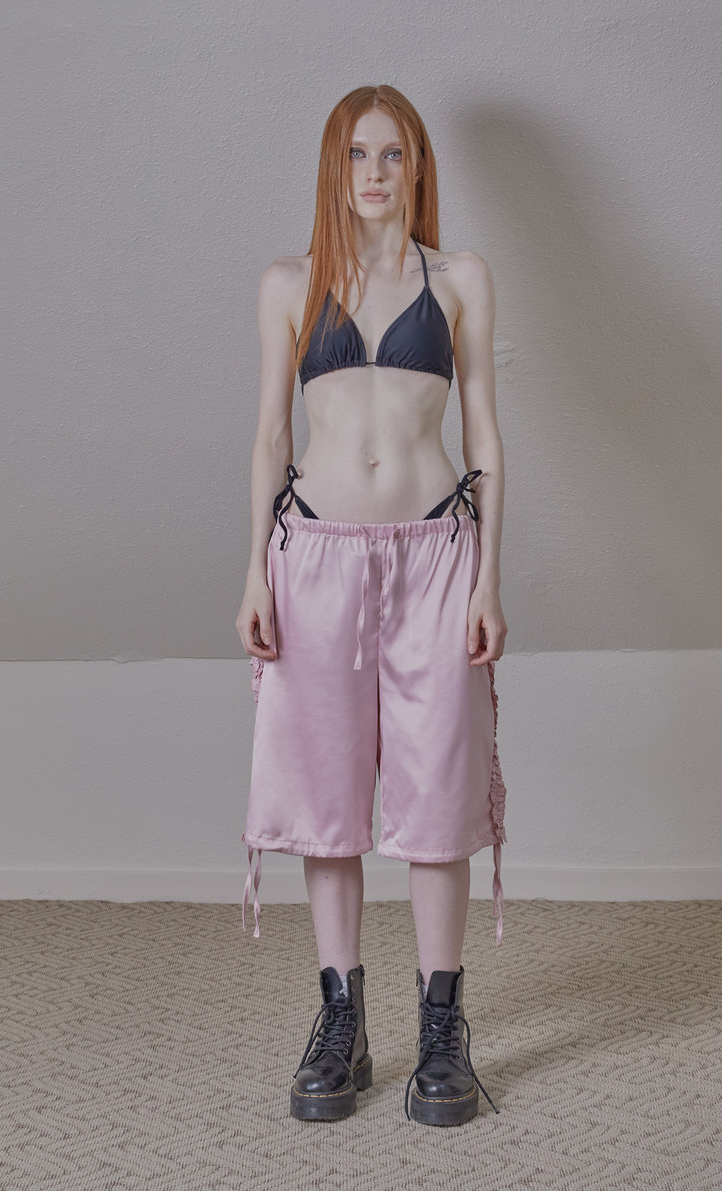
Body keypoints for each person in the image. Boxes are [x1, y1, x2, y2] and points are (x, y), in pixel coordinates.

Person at [235, 84, 508, 1127]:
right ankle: (341, 1018)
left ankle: (442, 1027)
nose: (376, 172)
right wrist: (253, 571)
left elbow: (484, 437)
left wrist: (487, 576)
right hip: (314, 558)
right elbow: (271, 436)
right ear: (334, 168)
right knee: (327, 795)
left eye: (394, 153)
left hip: (436, 556)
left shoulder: (463, 278)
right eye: (358, 154)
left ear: (418, 166)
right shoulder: (289, 284)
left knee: (437, 794)